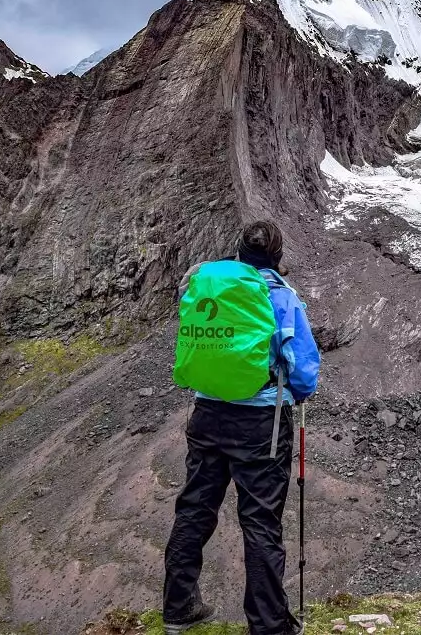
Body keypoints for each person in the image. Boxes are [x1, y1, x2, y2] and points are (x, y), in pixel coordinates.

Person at [163, 221, 321, 635]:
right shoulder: (281, 297)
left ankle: (179, 606)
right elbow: (303, 371)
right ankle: (269, 625)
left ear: (237, 252)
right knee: (260, 521)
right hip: (260, 424)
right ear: (278, 257)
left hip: (207, 412)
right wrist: (297, 394)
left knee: (195, 507)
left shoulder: (208, 285)